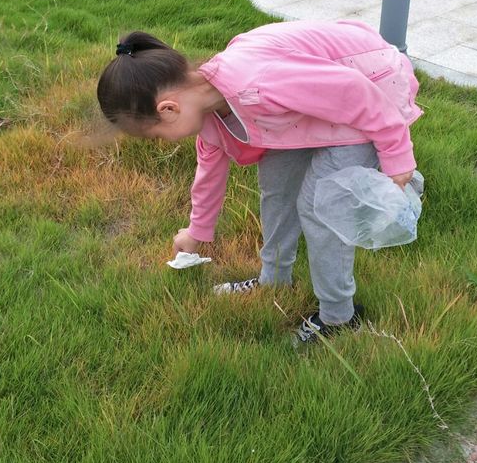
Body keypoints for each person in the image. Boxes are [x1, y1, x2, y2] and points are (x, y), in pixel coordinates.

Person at [97, 19, 422, 344]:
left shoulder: (259, 83)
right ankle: (275, 279)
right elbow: (209, 176)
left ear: (168, 109)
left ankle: (339, 316)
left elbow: (354, 91)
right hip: (321, 107)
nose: (163, 142)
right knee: (277, 185)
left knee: (319, 206)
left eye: (156, 136)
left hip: (374, 92)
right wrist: (196, 232)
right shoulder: (211, 110)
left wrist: (396, 153)